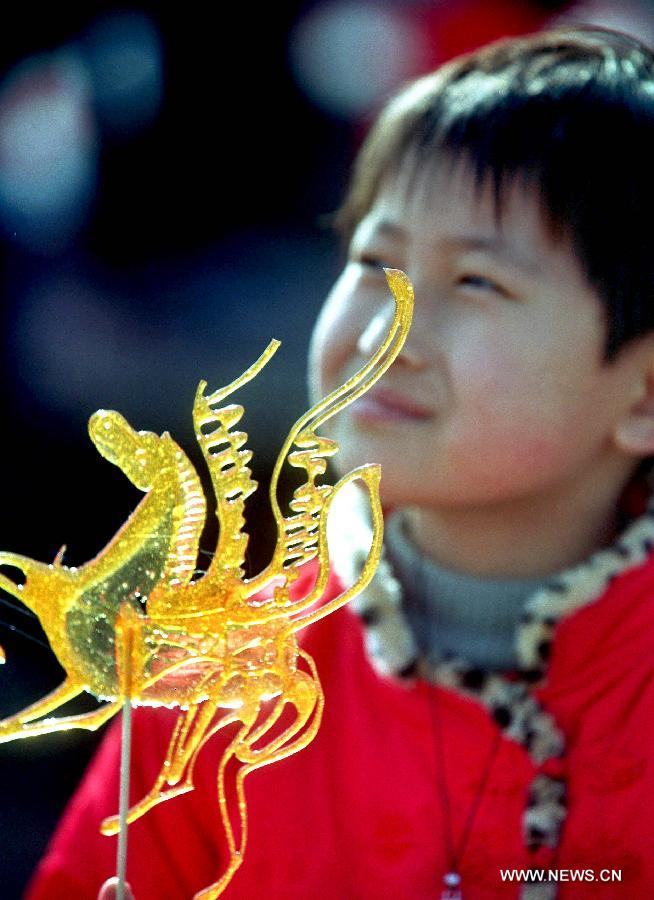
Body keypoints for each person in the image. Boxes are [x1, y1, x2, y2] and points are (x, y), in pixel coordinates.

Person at [26, 26, 654, 899]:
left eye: (477, 282)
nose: (385, 332)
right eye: (376, 262)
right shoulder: (219, 680)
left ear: (646, 395)